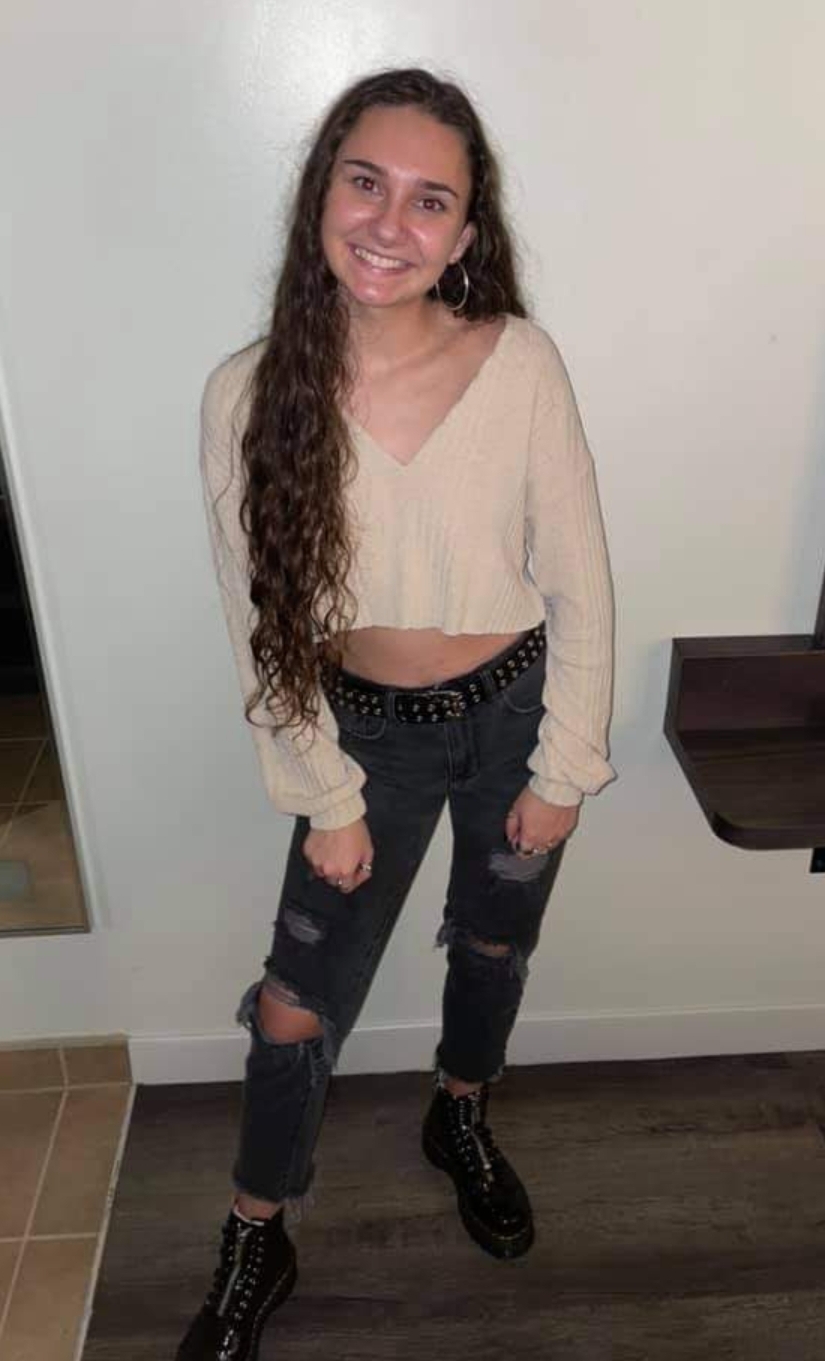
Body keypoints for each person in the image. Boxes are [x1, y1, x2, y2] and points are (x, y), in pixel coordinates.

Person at [181, 67, 615, 1361]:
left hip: (515, 714)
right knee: (296, 1001)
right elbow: (259, 622)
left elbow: (579, 579)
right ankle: (259, 1226)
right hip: (361, 735)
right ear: (322, 192)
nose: (390, 222)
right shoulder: (249, 392)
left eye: (431, 200)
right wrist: (324, 792)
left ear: (467, 231)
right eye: (366, 182)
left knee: (492, 943)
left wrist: (563, 765)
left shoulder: (520, 362)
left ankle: (458, 1109)